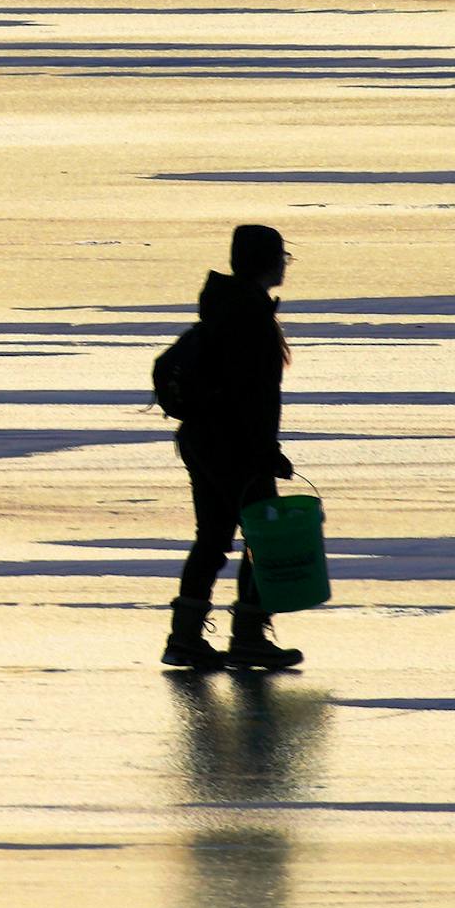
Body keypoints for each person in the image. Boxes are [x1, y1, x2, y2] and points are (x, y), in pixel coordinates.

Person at [163, 224, 304, 672]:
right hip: (233, 445)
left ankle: (185, 638)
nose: (285, 263)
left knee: (213, 538)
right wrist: (266, 451)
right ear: (266, 261)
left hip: (203, 439)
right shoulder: (251, 318)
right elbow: (254, 396)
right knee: (264, 537)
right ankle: (248, 635)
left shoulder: (226, 308)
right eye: (282, 255)